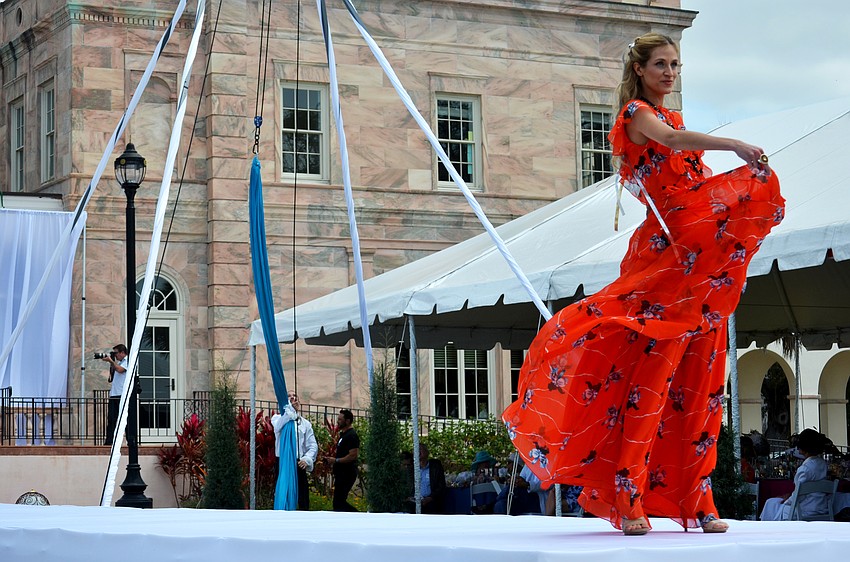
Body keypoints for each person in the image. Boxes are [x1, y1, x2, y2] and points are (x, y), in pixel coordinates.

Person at [502, 32, 784, 536]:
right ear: (640, 69)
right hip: (664, 262)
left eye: (675, 65)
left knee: (701, 386)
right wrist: (735, 145)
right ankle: (628, 498)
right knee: (650, 387)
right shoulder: (637, 115)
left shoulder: (670, 116)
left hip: (695, 266)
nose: (670, 73)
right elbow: (672, 144)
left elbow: (694, 185)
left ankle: (697, 500)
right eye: (661, 64)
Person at [760, 429, 830, 521]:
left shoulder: (805, 469)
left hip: (805, 509)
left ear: (803, 448)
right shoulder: (823, 464)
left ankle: (768, 527)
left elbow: (798, 495)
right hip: (820, 507)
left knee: (771, 503)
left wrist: (786, 501)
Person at [272, 391, 318, 510]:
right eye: (289, 396)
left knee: (303, 498)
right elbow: (278, 427)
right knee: (282, 494)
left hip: (298, 463)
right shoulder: (277, 418)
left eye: (295, 396)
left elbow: (312, 445)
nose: (292, 397)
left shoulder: (305, 424)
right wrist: (290, 411)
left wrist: (307, 459)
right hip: (282, 462)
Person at [324, 409, 359, 512]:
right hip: (340, 473)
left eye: (340, 419)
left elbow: (353, 455)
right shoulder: (343, 435)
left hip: (347, 473)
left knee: (339, 502)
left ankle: (359, 516)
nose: (337, 421)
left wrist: (336, 460)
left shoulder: (352, 435)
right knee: (338, 502)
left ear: (347, 421)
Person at [406, 443, 446, 514]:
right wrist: (409, 497)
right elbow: (406, 486)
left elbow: (441, 486)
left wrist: (430, 498)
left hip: (431, 502)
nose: (418, 452)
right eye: (415, 450)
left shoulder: (435, 467)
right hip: (413, 503)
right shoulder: (411, 469)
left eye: (420, 449)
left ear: (427, 452)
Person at [101, 344, 128, 446]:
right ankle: (109, 441)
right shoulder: (120, 362)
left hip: (122, 395)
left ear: (122, 352)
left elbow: (120, 370)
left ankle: (130, 440)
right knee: (112, 419)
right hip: (114, 394)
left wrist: (111, 361)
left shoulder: (128, 361)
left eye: (116, 353)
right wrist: (111, 363)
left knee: (124, 419)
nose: (115, 355)